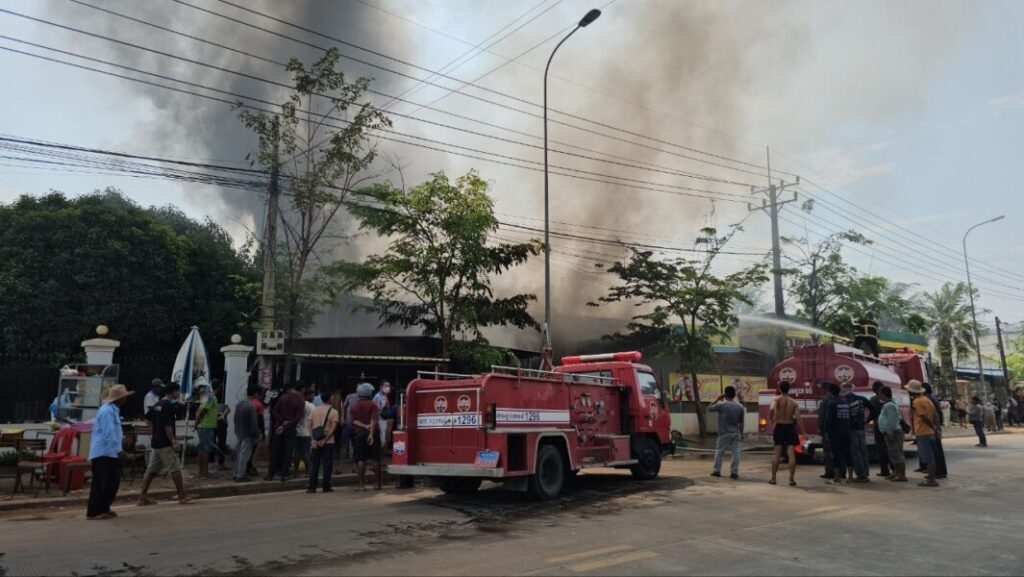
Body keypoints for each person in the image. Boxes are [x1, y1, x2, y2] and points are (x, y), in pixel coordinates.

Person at [138, 383, 194, 506]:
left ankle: (142, 497)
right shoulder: (168, 406)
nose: (178, 394)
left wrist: (155, 431)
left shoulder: (158, 404)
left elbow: (147, 419)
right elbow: (168, 426)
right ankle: (182, 495)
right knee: (175, 468)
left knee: (151, 470)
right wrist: (173, 441)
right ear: (173, 392)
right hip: (165, 443)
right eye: (177, 391)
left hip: (156, 442)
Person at [86, 384, 134, 520]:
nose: (125, 399)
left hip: (110, 453)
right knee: (102, 483)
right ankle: (95, 511)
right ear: (118, 399)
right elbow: (109, 433)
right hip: (104, 452)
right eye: (123, 397)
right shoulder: (107, 411)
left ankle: (104, 508)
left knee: (111, 483)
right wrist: (119, 451)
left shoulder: (113, 410)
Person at [266, 381, 305, 481]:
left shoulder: (283, 397)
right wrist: (287, 424)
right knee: (288, 451)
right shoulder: (300, 400)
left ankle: (270, 474)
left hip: (279, 427)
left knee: (276, 451)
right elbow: (298, 417)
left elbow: (274, 411)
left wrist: (282, 422)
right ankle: (284, 474)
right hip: (290, 428)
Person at [768, 381, 804, 487]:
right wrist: (803, 432)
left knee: (777, 453)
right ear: (789, 389)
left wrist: (771, 418)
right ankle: (791, 479)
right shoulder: (794, 402)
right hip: (790, 427)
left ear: (780, 388)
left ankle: (773, 478)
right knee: (791, 453)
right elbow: (798, 418)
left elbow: (771, 408)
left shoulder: (777, 399)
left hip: (780, 427)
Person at [906, 380, 939, 487]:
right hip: (929, 432)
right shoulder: (927, 399)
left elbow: (924, 416)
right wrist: (936, 428)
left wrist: (932, 427)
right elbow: (935, 414)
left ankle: (931, 480)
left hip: (923, 432)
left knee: (927, 458)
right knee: (931, 457)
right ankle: (932, 478)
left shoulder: (917, 402)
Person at [709, 386, 745, 479]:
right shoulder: (740, 406)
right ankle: (734, 472)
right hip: (736, 433)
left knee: (720, 452)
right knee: (736, 452)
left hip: (724, 433)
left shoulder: (721, 405)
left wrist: (717, 399)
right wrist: (741, 433)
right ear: (734, 395)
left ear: (725, 395)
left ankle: (717, 471)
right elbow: (741, 422)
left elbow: (710, 408)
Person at [307, 395, 340, 493]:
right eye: (332, 397)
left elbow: (309, 425)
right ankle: (326, 486)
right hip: (328, 442)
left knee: (315, 464)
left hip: (316, 441)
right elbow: (333, 428)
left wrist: (313, 439)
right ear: (330, 399)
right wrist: (325, 440)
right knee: (327, 464)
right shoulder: (334, 412)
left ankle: (312, 487)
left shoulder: (314, 410)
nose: (333, 399)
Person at [350, 382, 380, 491]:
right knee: (375, 459)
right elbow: (373, 419)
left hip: (359, 434)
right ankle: (377, 484)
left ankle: (361, 485)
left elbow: (354, 421)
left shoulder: (354, 406)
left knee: (361, 459)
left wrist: (364, 426)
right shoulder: (373, 405)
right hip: (373, 434)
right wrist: (371, 433)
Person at [875, 385, 908, 482]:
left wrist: (890, 432)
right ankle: (896, 473)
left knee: (897, 454)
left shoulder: (889, 405)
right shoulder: (889, 404)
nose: (878, 396)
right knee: (893, 454)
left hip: (893, 432)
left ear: (883, 394)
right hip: (892, 432)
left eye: (880, 394)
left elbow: (892, 420)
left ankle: (902, 475)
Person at [823, 382, 853, 484]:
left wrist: (826, 431)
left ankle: (837, 477)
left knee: (836, 455)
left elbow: (829, 420)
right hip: (846, 432)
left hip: (835, 434)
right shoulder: (845, 402)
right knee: (848, 454)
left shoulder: (831, 403)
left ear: (830, 392)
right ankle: (850, 477)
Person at [843, 384, 872, 483]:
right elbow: (873, 409)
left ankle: (861, 475)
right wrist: (867, 421)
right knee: (863, 452)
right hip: (861, 429)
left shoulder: (845, 401)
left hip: (851, 430)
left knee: (856, 453)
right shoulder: (861, 399)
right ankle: (865, 473)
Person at [233, 385, 261, 483]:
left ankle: (236, 473)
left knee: (239, 454)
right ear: (255, 394)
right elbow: (253, 424)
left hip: (239, 432)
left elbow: (235, 419)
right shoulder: (251, 407)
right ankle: (240, 475)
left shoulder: (239, 404)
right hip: (248, 434)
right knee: (244, 455)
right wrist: (256, 435)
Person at [922, 383, 948, 479]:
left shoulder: (929, 400)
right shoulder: (933, 398)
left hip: (933, 427)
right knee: (938, 450)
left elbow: (935, 415)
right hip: (936, 426)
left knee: (935, 451)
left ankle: (938, 472)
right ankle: (941, 471)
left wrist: (935, 428)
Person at [193, 384, 219, 479]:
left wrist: (196, 423)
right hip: (207, 426)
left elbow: (199, 411)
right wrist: (196, 423)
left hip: (203, 426)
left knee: (202, 449)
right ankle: (205, 472)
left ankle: (201, 472)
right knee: (206, 450)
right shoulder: (210, 397)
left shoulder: (205, 397)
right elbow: (202, 411)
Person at [868, 382, 891, 479]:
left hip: (878, 426)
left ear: (875, 389)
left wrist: (867, 421)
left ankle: (884, 470)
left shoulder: (873, 399)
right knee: (889, 448)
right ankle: (894, 470)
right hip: (888, 426)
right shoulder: (889, 400)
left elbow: (871, 413)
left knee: (881, 449)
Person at [292, 385, 316, 475]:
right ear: (308, 395)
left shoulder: (298, 404)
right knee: (306, 452)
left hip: (297, 432)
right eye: (312, 395)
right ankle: (308, 472)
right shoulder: (311, 406)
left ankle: (295, 472)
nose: (313, 397)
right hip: (306, 432)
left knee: (297, 452)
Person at [817, 384, 836, 480]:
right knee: (837, 451)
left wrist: (820, 428)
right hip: (837, 429)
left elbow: (822, 415)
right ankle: (841, 472)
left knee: (827, 451)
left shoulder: (824, 400)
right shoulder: (838, 398)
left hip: (827, 429)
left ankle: (829, 472)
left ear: (826, 389)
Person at [248, 389, 265, 477]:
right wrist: (263, 432)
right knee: (253, 449)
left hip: (246, 430)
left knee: (247, 449)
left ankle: (248, 465)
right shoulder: (258, 404)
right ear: (256, 394)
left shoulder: (246, 403)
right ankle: (249, 465)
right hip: (255, 429)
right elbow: (260, 420)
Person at [213, 380, 230, 471]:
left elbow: (227, 407)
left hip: (221, 422)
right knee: (215, 442)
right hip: (213, 421)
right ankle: (214, 461)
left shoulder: (222, 395)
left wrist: (223, 414)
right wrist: (219, 415)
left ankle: (220, 462)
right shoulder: (210, 396)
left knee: (221, 443)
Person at [373, 382, 392, 451]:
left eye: (388, 386)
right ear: (381, 387)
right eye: (386, 386)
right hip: (379, 420)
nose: (388, 388)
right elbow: (377, 410)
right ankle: (380, 452)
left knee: (384, 437)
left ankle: (382, 452)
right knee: (381, 438)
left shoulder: (384, 396)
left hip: (384, 420)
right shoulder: (378, 397)